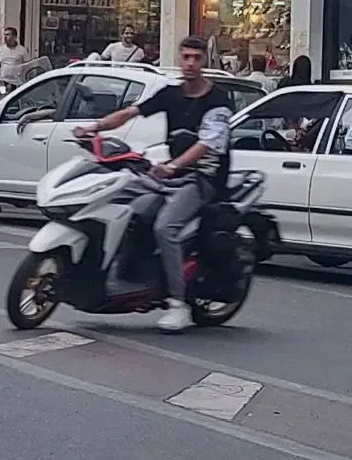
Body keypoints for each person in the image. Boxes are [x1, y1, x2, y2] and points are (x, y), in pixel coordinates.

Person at [75, 35, 234, 333]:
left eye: (196, 58)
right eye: (185, 57)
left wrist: (173, 166)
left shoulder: (219, 100)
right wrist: (94, 127)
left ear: (204, 61)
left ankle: (178, 304)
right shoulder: (170, 93)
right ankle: (124, 274)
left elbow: (207, 144)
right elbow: (131, 112)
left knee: (166, 227)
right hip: (169, 174)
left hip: (203, 179)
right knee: (125, 201)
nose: (190, 63)